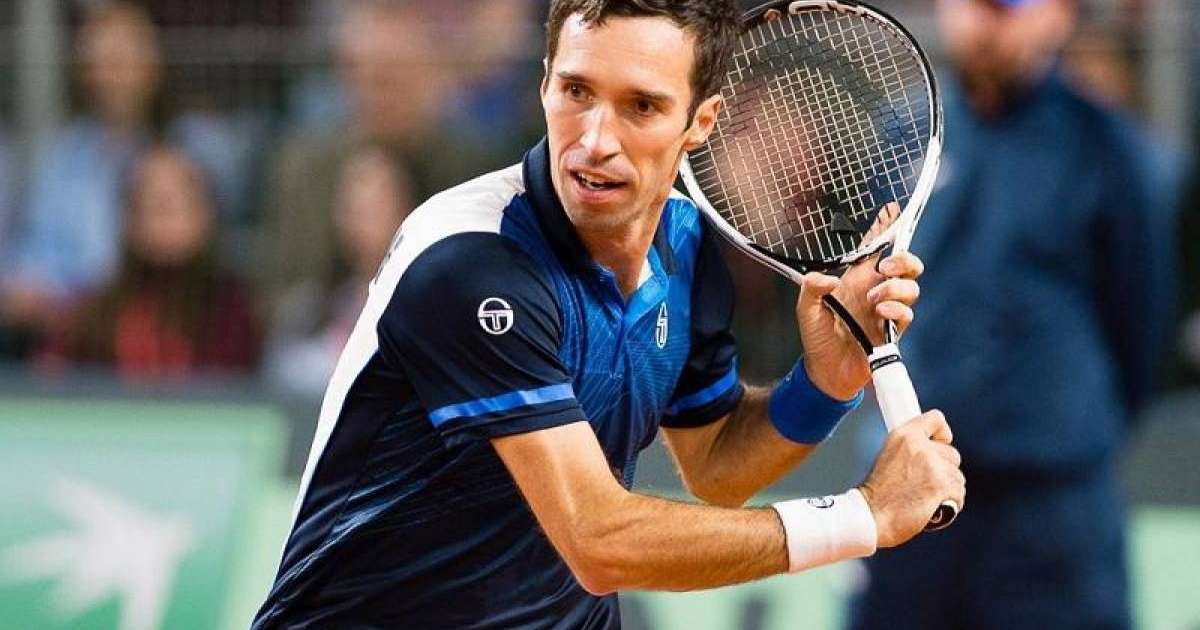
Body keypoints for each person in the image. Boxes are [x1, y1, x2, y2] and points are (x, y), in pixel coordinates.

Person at [253, 2, 965, 628]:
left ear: (702, 121)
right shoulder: (470, 261)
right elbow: (597, 541)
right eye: (577, 91)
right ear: (544, 84)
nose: (595, 139)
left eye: (641, 106)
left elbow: (717, 467)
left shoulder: (684, 246)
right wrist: (863, 515)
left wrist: (825, 383)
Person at [848, 1, 1176, 629]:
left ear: (1060, 15)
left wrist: (1066, 425)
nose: (989, 20)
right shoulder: (901, 136)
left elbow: (1142, 324)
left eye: (1011, 5)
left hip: (1051, 511)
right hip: (910, 492)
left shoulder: (1108, 148)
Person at [0, 1, 241, 355]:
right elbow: (36, 256)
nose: (111, 75)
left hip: (174, 321)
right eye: (100, 61)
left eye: (122, 59)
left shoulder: (197, 144)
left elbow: (208, 253)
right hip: (79, 330)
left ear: (154, 63)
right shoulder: (66, 154)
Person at [40, 146, 260, 381]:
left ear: (206, 214)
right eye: (151, 199)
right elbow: (48, 383)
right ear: (128, 217)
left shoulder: (233, 312)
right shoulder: (90, 317)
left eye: (177, 198)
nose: (164, 210)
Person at [263, 145, 415, 399]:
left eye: (377, 206)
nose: (365, 221)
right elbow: (280, 381)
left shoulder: (438, 305)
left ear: (407, 210)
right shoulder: (308, 308)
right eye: (355, 210)